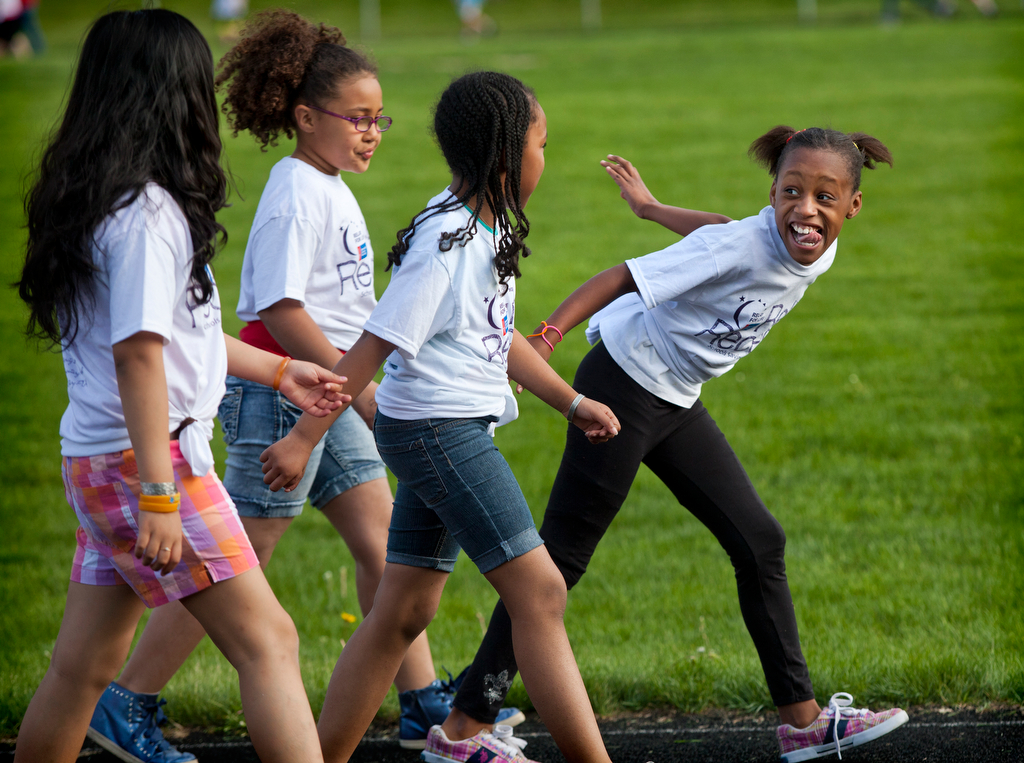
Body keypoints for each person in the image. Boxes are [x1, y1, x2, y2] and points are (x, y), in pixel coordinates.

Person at [80, 11, 520, 762]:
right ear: (305, 116)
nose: (372, 132)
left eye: (380, 120)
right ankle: (128, 699)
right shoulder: (295, 190)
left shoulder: (331, 185)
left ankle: (418, 703)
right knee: (235, 556)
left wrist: (346, 390)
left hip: (325, 394)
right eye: (357, 119)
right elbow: (278, 310)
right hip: (279, 394)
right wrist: (343, 387)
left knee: (384, 544)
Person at [443, 128, 909, 763]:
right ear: (772, 193)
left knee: (758, 541)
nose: (806, 210)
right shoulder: (749, 241)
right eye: (792, 193)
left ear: (852, 205)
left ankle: (802, 722)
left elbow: (719, 226)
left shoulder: (808, 245)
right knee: (557, 566)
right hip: (623, 385)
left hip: (675, 398)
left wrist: (651, 209)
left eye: (824, 198)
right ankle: (463, 732)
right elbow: (619, 277)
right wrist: (546, 342)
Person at [260, 71, 620, 763]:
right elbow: (375, 341)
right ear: (510, 156)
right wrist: (306, 435)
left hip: (438, 427)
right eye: (545, 144)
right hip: (437, 430)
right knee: (540, 590)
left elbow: (496, 334)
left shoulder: (483, 227)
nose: (549, 159)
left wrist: (570, 401)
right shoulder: (448, 241)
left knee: (403, 608)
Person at [13, 10, 342, 763]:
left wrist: (279, 368)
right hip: (147, 467)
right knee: (269, 641)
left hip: (104, 463)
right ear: (174, 95)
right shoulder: (145, 215)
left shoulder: (103, 196)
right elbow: (138, 357)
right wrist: (160, 494)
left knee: (84, 665)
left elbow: (177, 338)